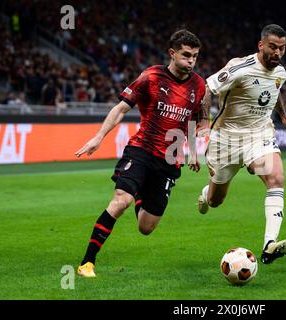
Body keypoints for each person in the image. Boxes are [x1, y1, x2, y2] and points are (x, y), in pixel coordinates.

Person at [75, 29, 208, 277]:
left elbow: (191, 118)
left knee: (146, 227)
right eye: (186, 55)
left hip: (169, 160)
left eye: (195, 56)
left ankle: (139, 193)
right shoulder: (151, 77)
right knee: (120, 201)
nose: (191, 61)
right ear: (172, 53)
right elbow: (120, 108)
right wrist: (99, 136)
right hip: (141, 151)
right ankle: (87, 263)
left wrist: (191, 152)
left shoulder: (198, 85)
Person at [197, 24, 286, 264]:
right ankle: (205, 194)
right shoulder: (239, 68)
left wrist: (283, 116)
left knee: (276, 178)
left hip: (259, 136)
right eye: (273, 47)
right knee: (216, 201)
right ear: (261, 45)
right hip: (226, 140)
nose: (277, 53)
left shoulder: (280, 73)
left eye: (282, 48)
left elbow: (274, 90)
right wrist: (204, 121)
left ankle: (269, 244)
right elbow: (206, 88)